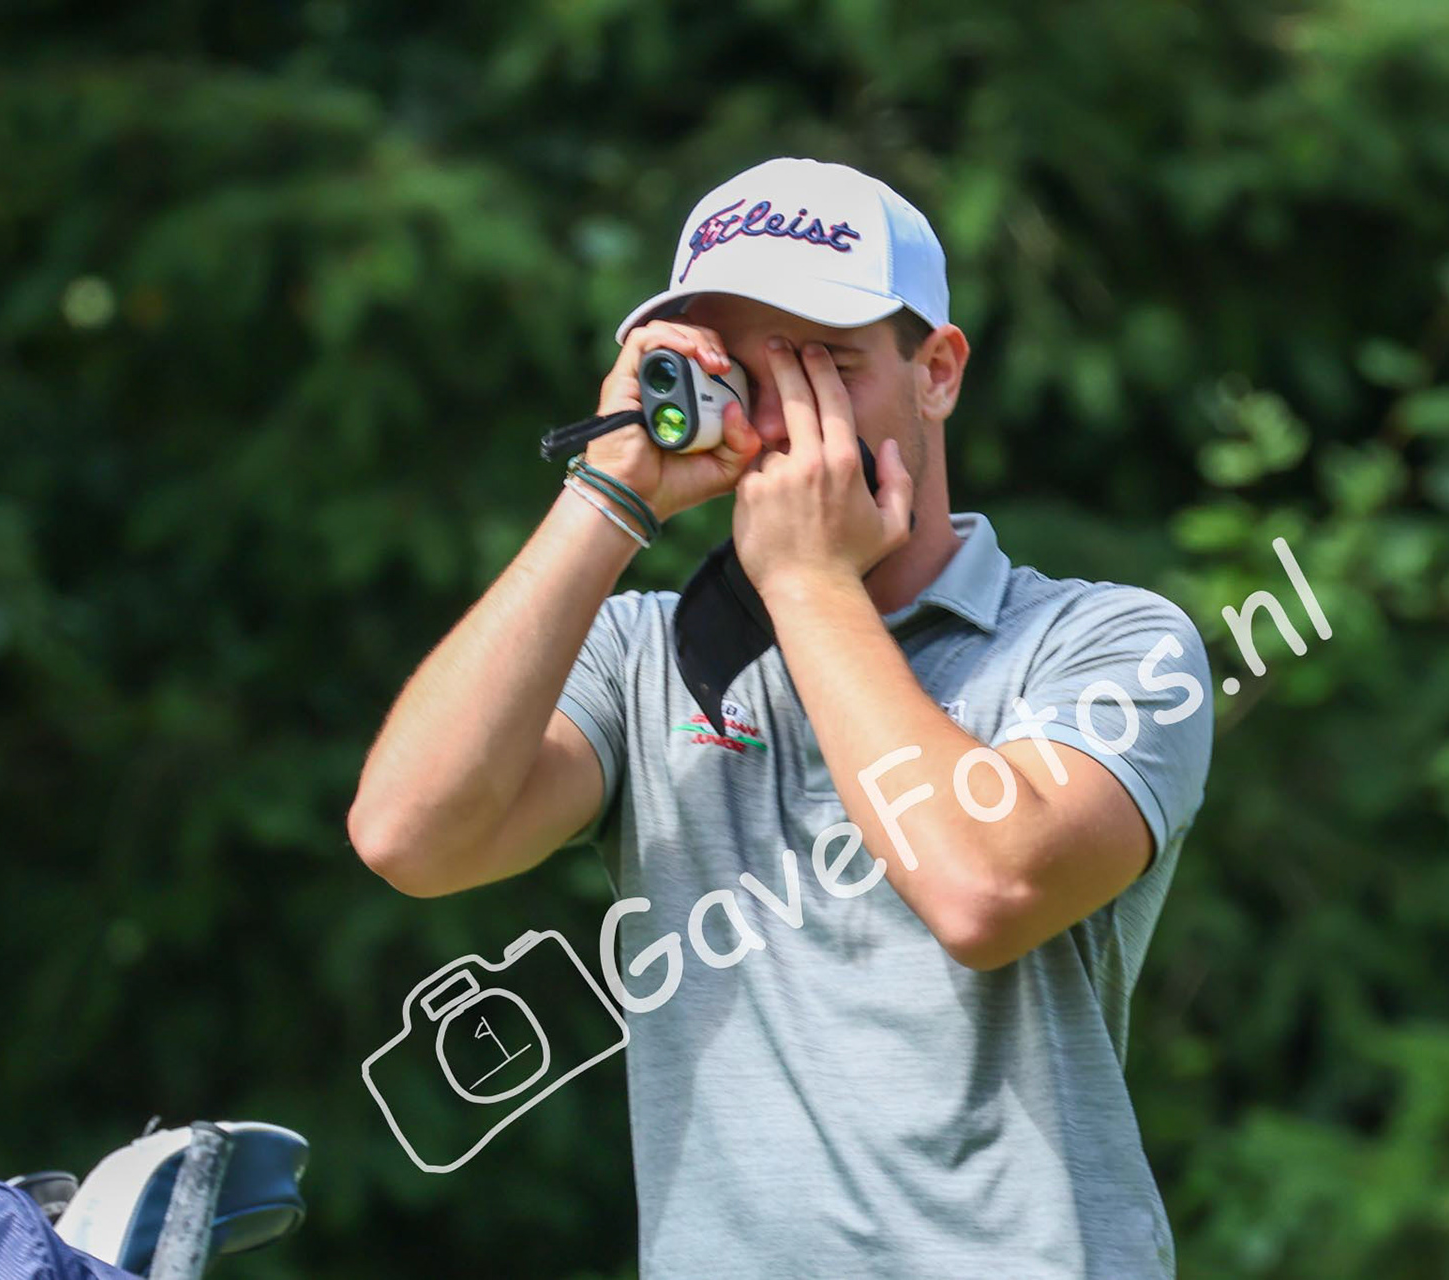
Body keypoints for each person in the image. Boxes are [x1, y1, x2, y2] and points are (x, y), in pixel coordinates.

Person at [347, 157, 1214, 1279]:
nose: (779, 422)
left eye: (826, 366)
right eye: (738, 376)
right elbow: (412, 835)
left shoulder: (1110, 644)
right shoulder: (644, 654)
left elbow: (982, 887)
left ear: (938, 371)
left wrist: (809, 583)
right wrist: (610, 492)